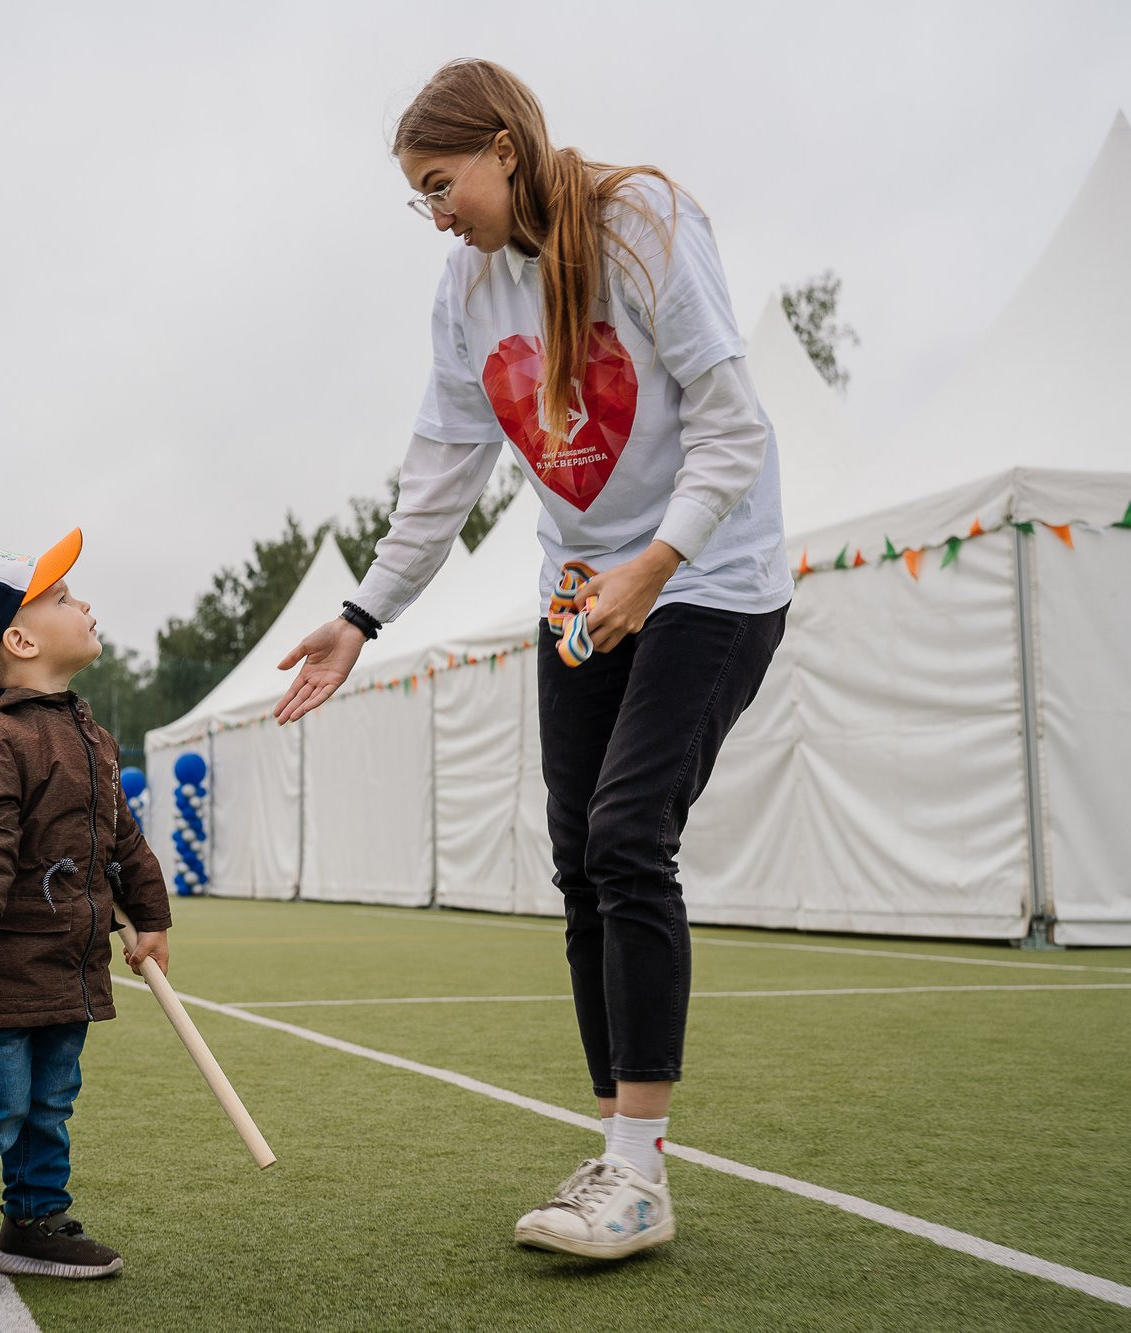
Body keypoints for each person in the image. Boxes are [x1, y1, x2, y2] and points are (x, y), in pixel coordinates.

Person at [275, 59, 791, 1262]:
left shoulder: (644, 222)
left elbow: (733, 426)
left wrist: (652, 567)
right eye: (419, 196)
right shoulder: (463, 294)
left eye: (440, 183)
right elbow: (442, 473)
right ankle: (621, 1153)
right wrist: (359, 617)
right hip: (579, 591)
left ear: (504, 148)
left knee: (625, 835)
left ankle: (634, 1179)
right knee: (576, 861)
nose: (435, 212)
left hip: (707, 574)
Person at [0, 527, 174, 1298]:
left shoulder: (91, 735)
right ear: (19, 637)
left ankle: (33, 1222)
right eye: (60, 596)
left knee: (51, 1103)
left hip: (67, 962)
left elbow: (122, 836)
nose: (82, 602)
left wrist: (149, 914)